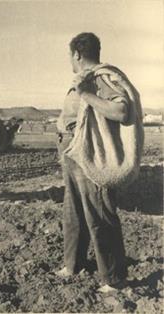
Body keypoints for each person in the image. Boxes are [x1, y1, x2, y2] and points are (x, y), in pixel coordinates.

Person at [56, 33, 144, 293]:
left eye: (70, 57)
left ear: (77, 55)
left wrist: (85, 94)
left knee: (100, 215)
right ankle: (73, 265)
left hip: (91, 157)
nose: (70, 62)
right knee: (74, 214)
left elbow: (121, 110)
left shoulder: (99, 77)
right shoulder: (88, 78)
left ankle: (115, 279)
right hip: (74, 154)